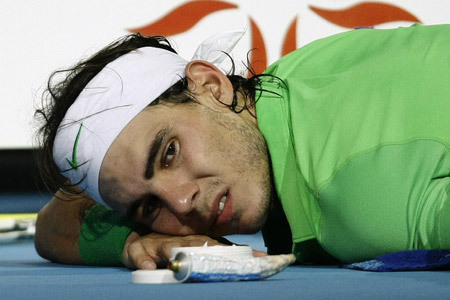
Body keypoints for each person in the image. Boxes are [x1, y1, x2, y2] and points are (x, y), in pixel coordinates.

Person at [34, 24, 450, 270]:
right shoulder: (290, 79)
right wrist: (131, 243)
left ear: (211, 84)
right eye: (148, 208)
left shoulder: (365, 203)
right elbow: (54, 223)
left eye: (170, 153)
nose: (181, 203)